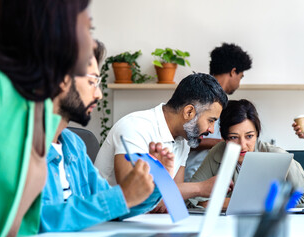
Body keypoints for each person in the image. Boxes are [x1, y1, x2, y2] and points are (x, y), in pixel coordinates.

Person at [40, 41, 174, 232]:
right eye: (93, 81)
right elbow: (33, 222)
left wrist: (153, 182)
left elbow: (112, 207)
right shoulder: (21, 147)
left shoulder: (73, 145)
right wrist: (121, 197)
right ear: (62, 80)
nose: (99, 94)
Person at [0, 0, 94, 237]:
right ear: (57, 30)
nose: (92, 43)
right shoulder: (3, 94)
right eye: (88, 30)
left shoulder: (37, 108)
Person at [95, 73, 228, 212]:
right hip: (108, 221)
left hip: (144, 221)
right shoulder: (134, 127)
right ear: (189, 112)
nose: (211, 130)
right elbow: (132, 196)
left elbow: (172, 201)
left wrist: (163, 198)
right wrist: (200, 188)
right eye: (210, 120)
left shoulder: (183, 140)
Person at [189, 100, 304, 208]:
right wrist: (233, 204)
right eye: (234, 137)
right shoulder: (218, 152)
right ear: (224, 138)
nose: (242, 145)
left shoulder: (277, 156)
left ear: (257, 134)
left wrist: (272, 204)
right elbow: (189, 199)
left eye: (249, 136)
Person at [184, 43, 252, 181]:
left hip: (213, 179)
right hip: (195, 176)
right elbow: (184, 139)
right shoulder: (199, 95)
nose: (239, 82)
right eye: (241, 76)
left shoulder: (221, 101)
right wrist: (225, 142)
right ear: (233, 72)